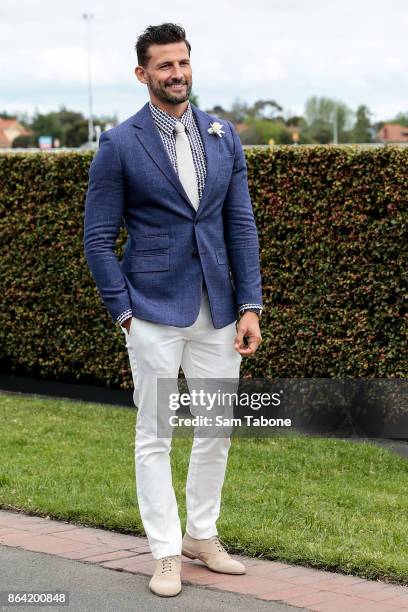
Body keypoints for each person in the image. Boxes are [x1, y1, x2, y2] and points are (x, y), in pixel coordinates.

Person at [83, 22, 263, 597]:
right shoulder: (119, 144)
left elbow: (239, 224)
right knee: (155, 433)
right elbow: (97, 239)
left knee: (216, 430)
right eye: (164, 65)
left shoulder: (222, 134)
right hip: (153, 312)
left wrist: (250, 305)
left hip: (220, 311)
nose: (177, 73)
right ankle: (164, 551)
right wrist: (124, 313)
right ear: (143, 74)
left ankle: (201, 535)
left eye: (183, 62)